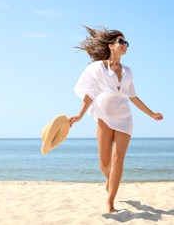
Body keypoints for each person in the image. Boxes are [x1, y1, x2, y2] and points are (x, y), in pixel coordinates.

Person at [69, 26, 163, 213]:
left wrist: (151, 113)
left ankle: (110, 202)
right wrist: (79, 115)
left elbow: (133, 97)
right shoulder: (98, 68)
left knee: (118, 159)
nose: (125, 45)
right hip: (103, 115)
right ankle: (109, 179)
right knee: (104, 164)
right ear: (111, 46)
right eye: (121, 41)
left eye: (126, 42)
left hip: (124, 117)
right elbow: (90, 93)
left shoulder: (128, 71)